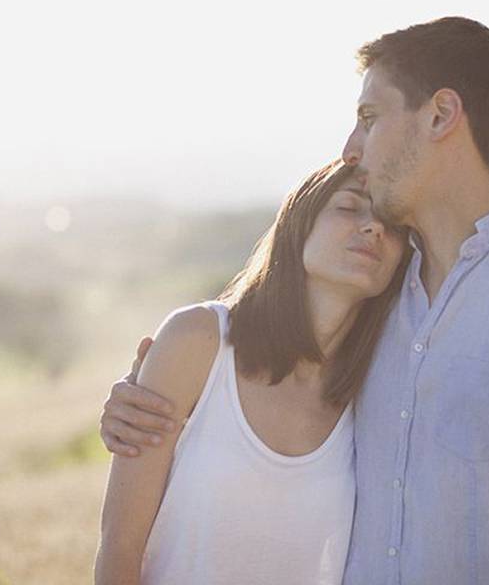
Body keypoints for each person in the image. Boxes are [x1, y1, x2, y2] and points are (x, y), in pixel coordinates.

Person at [100, 16, 489, 584]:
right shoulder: (375, 301)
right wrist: (138, 402)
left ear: (440, 115)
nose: (351, 149)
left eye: (369, 118)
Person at [94, 159, 410, 585]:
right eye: (350, 207)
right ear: (299, 223)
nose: (374, 228)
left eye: (391, 222)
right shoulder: (198, 340)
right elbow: (120, 545)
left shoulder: (382, 388)